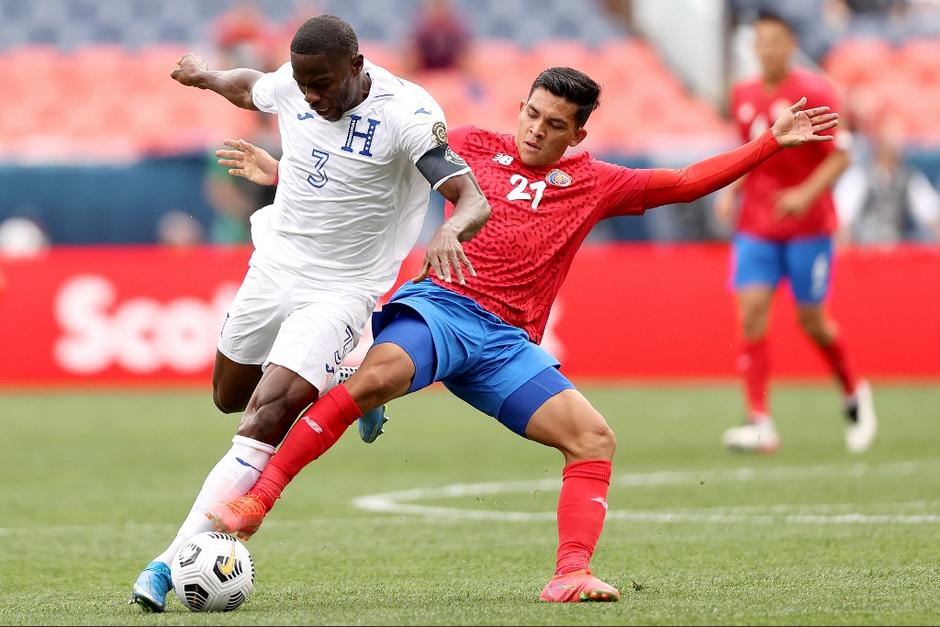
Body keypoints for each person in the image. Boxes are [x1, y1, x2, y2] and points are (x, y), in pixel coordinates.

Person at [206, 67, 839, 603]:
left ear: (578, 134)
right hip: (442, 307)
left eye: (554, 124)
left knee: (593, 439)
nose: (536, 129)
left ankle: (571, 573)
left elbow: (685, 182)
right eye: (531, 114)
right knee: (380, 378)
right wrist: (285, 171)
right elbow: (374, 173)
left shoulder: (596, 182)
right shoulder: (470, 145)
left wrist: (769, 145)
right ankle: (259, 500)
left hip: (505, 343)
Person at [129, 15, 491, 613]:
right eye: (303, 85)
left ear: (356, 65)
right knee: (228, 395)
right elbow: (253, 86)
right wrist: (205, 76)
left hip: (343, 288)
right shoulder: (297, 85)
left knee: (265, 413)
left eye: (322, 84)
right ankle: (351, 373)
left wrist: (451, 230)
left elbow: (470, 196)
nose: (312, 97)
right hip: (275, 263)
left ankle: (168, 563)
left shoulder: (407, 113)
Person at [714, 10, 876, 455]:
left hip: (808, 226)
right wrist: (732, 190)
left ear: (791, 45)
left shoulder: (815, 92)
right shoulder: (743, 94)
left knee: (812, 321)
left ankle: (853, 390)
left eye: (776, 42)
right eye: (761, 42)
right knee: (750, 311)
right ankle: (759, 421)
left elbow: (841, 155)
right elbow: (751, 151)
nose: (768, 50)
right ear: (754, 47)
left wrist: (806, 194)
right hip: (756, 225)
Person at [835, 118, 940, 245]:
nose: (894, 145)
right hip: (863, 248)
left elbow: (932, 216)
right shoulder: (858, 176)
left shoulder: (910, 178)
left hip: (895, 248)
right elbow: (843, 221)